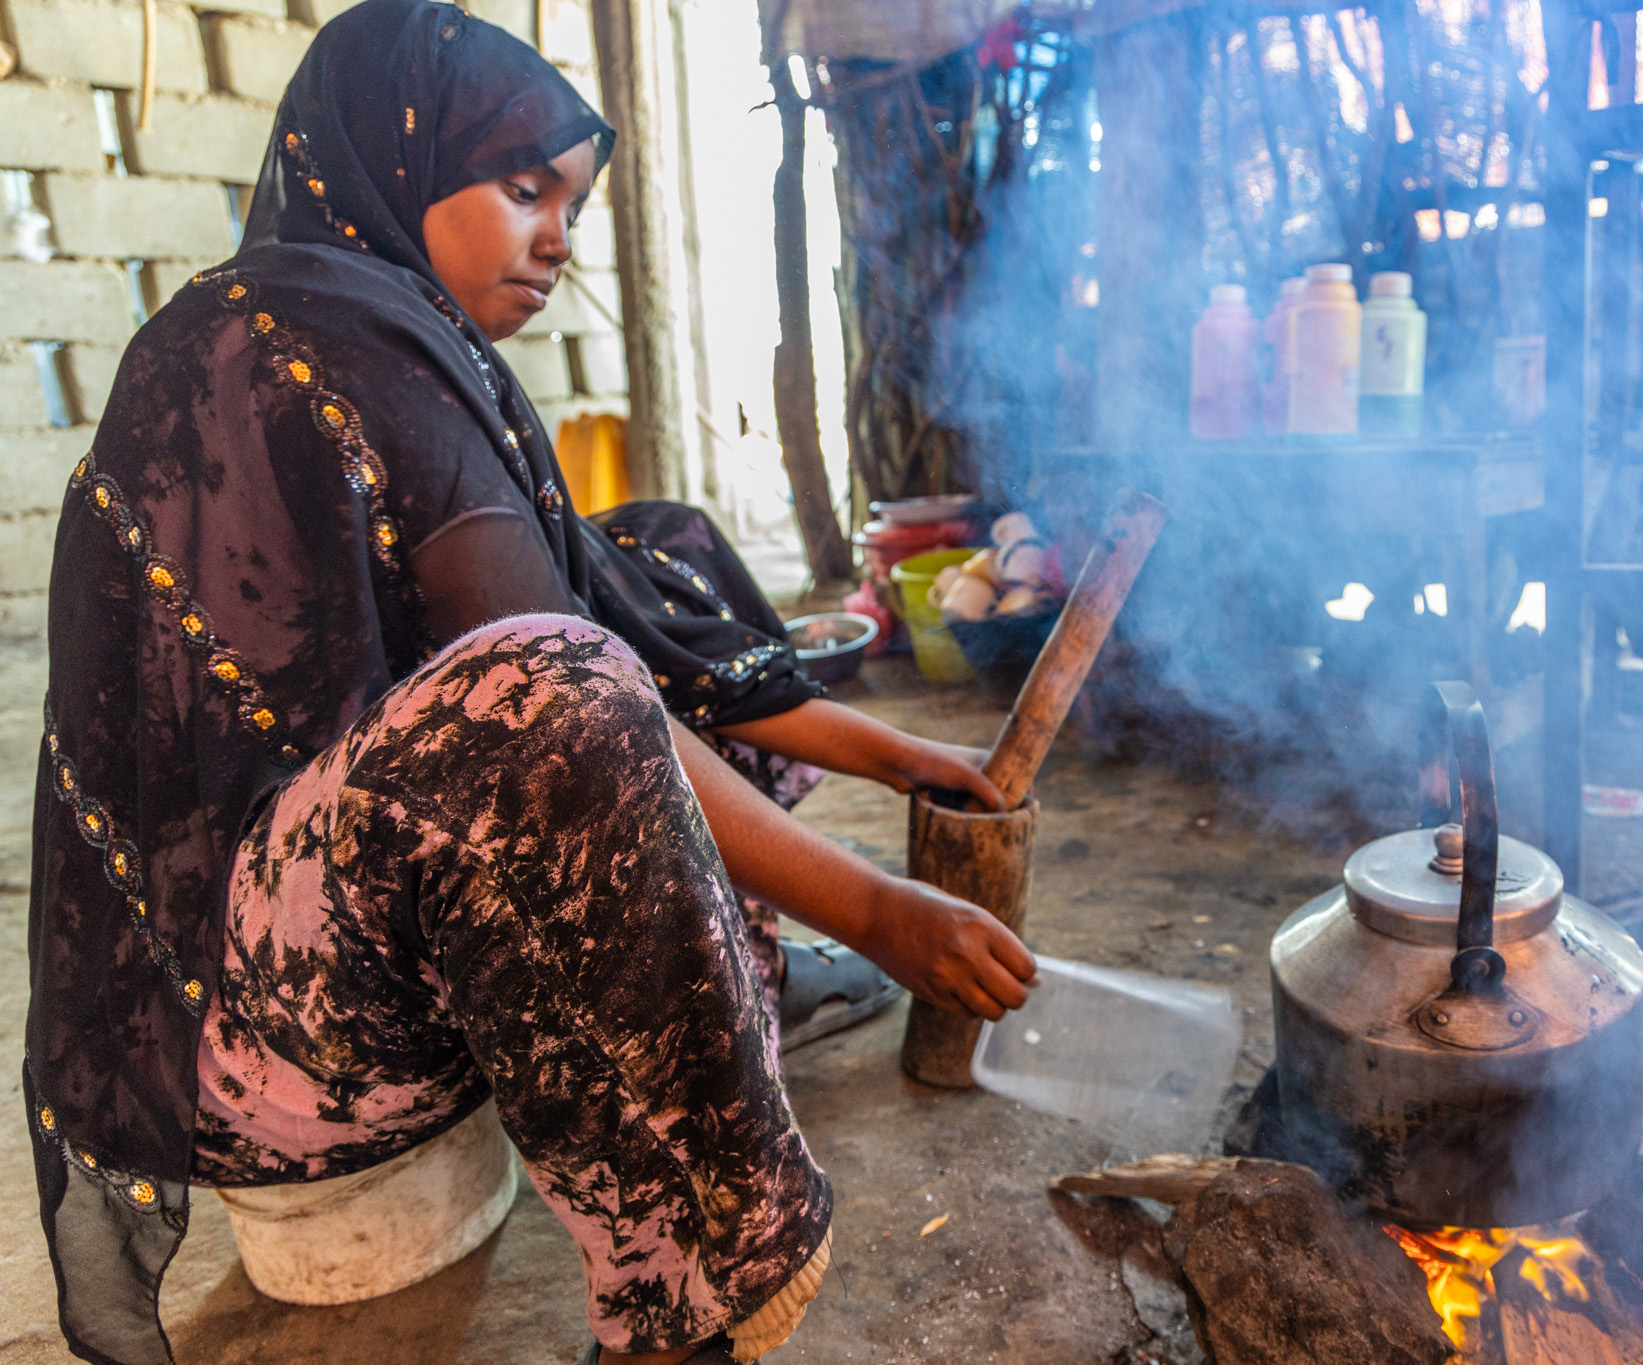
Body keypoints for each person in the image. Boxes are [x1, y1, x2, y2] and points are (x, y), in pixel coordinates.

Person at [23, 4, 1035, 1362]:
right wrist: (876, 905)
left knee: (647, 558)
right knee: (557, 696)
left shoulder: (344, 324)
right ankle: (689, 1288)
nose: (559, 236)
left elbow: (621, 632)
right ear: (393, 161)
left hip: (303, 939)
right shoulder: (349, 346)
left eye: (570, 199)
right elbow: (564, 693)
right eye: (522, 188)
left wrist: (896, 756)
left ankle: (720, 967)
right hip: (261, 1042)